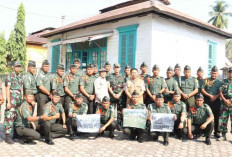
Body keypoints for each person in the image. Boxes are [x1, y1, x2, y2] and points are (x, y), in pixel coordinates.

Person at [4, 61, 23, 144]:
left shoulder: (21, 76)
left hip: (18, 99)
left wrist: (22, 97)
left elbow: (21, 87)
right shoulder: (9, 76)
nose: (18, 68)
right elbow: (7, 88)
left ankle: (15, 134)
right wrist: (8, 101)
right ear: (13, 67)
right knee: (9, 116)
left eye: (19, 66)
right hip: (11, 98)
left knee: (17, 116)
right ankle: (7, 136)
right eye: (16, 66)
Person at [202, 66, 221, 138]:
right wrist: (210, 96)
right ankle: (205, 131)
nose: (214, 75)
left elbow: (221, 92)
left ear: (218, 73)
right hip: (207, 99)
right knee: (206, 116)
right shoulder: (207, 80)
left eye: (215, 73)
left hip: (216, 100)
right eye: (213, 73)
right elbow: (203, 90)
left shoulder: (219, 82)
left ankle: (217, 132)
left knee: (216, 117)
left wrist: (215, 97)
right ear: (210, 73)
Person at [108, 63, 125, 131]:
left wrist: (119, 94)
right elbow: (108, 86)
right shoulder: (110, 76)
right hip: (112, 96)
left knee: (119, 111)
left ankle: (119, 125)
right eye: (115, 68)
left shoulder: (123, 77)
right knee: (111, 110)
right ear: (113, 68)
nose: (116, 69)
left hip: (120, 96)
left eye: (118, 67)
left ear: (120, 68)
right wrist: (113, 94)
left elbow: (124, 86)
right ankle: (110, 125)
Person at [219, 67, 232, 140]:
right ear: (228, 73)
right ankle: (223, 136)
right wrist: (225, 100)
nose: (231, 74)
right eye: (230, 72)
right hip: (224, 102)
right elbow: (220, 92)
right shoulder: (224, 81)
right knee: (223, 119)